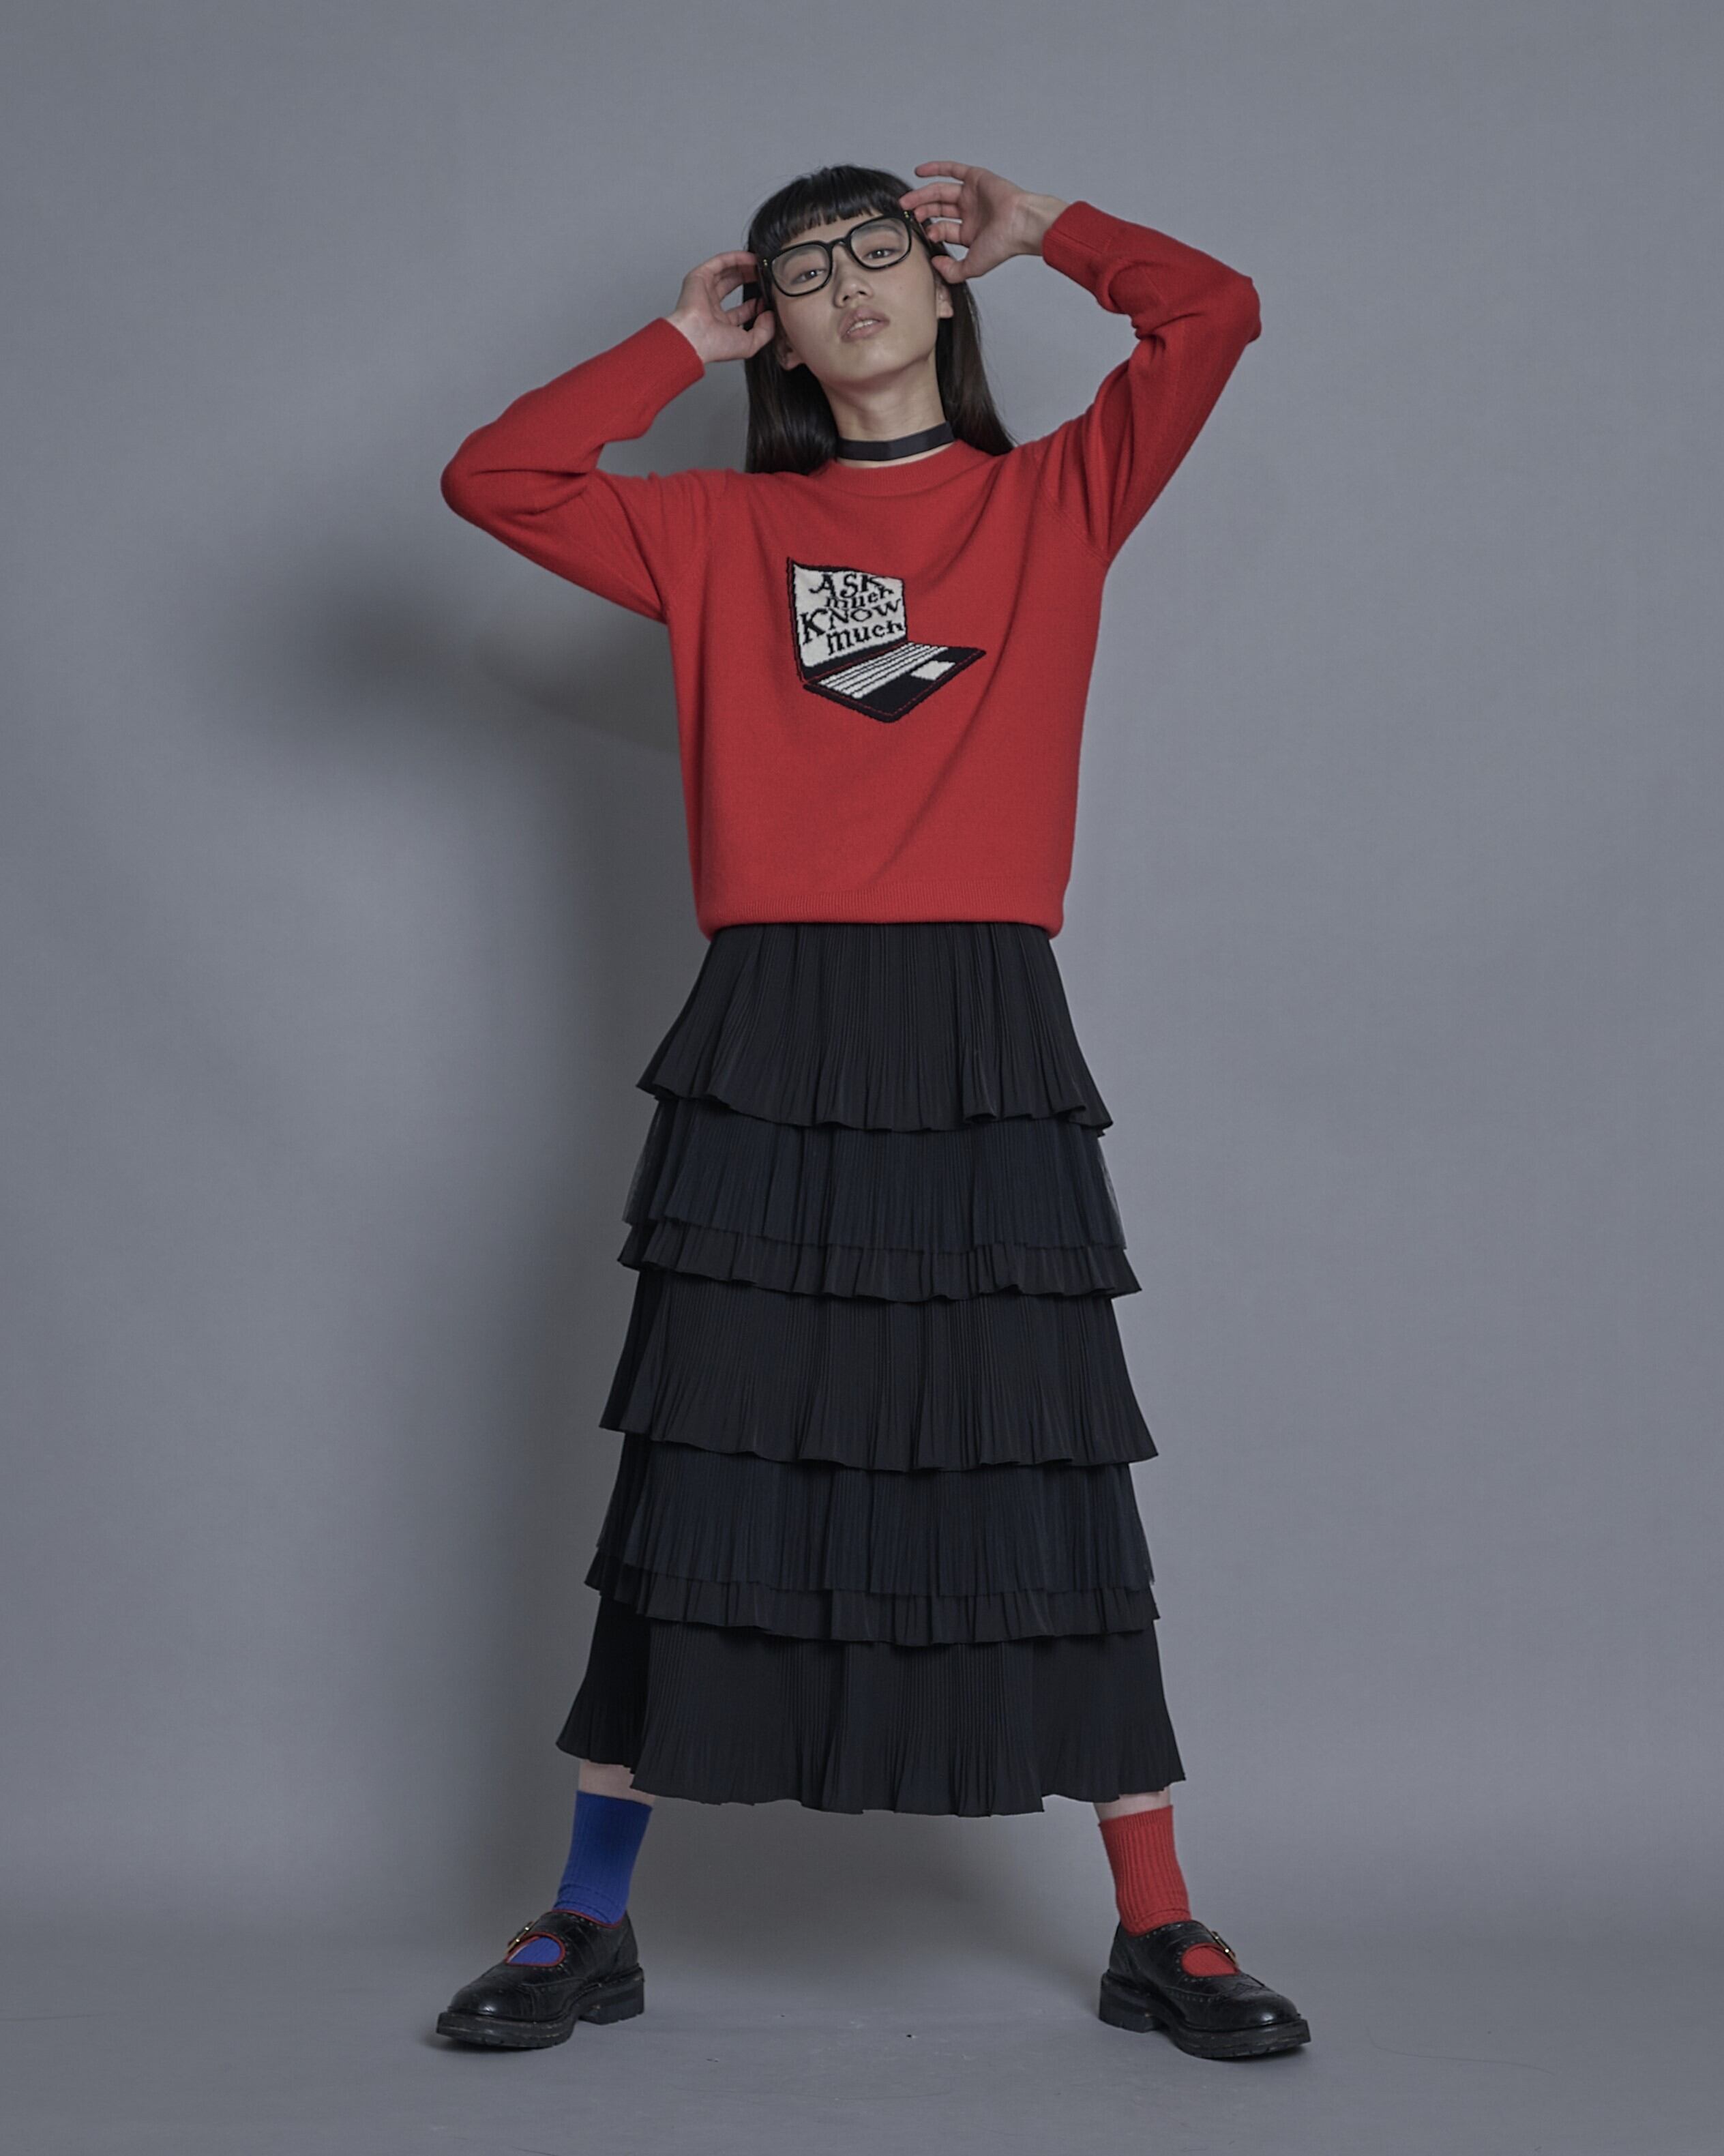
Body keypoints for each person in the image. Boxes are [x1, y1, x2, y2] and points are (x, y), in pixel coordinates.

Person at [432, 158, 1309, 2065]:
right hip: (773, 1021)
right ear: (777, 328)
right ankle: (587, 1917)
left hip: (984, 1022)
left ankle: (1158, 1923)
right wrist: (675, 341)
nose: (847, 287)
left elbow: (1215, 313)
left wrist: (1052, 226)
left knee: (1038, 1464)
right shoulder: (718, 533)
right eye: (803, 272)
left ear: (945, 283)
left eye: (880, 252)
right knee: (707, 1463)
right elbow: (497, 479)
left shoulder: (1057, 498)